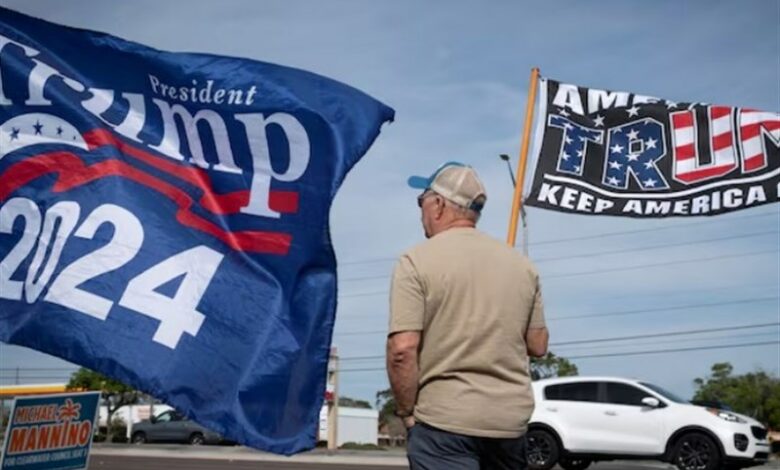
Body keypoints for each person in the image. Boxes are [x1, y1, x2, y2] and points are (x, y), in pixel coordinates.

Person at [386, 161, 549, 470]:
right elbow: (538, 345)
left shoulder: (415, 262)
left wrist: (408, 413)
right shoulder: (522, 266)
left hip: (444, 423)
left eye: (421, 201)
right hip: (508, 425)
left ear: (437, 206)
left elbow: (402, 350)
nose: (420, 211)